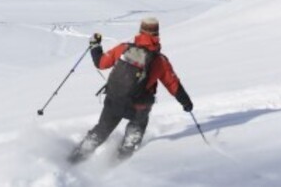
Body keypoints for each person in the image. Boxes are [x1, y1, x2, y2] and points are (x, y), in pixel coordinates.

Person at [70, 16, 193, 162]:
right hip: (139, 106)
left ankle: (75, 158)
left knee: (101, 130)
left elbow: (101, 63)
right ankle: (123, 164)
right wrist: (186, 103)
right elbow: (173, 85)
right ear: (157, 35)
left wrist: (95, 45)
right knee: (134, 134)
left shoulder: (123, 48)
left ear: (140, 32)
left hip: (114, 99)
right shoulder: (160, 61)